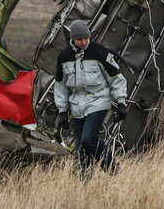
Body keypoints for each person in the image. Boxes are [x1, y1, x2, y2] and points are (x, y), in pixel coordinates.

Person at [53, 19, 128, 171]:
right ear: (72, 39)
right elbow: (60, 85)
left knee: (89, 138)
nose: (84, 42)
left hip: (98, 101)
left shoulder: (99, 51)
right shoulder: (64, 56)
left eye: (86, 38)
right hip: (77, 106)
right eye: (80, 39)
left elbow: (115, 77)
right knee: (81, 147)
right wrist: (62, 111)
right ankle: (84, 180)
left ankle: (112, 168)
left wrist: (121, 102)